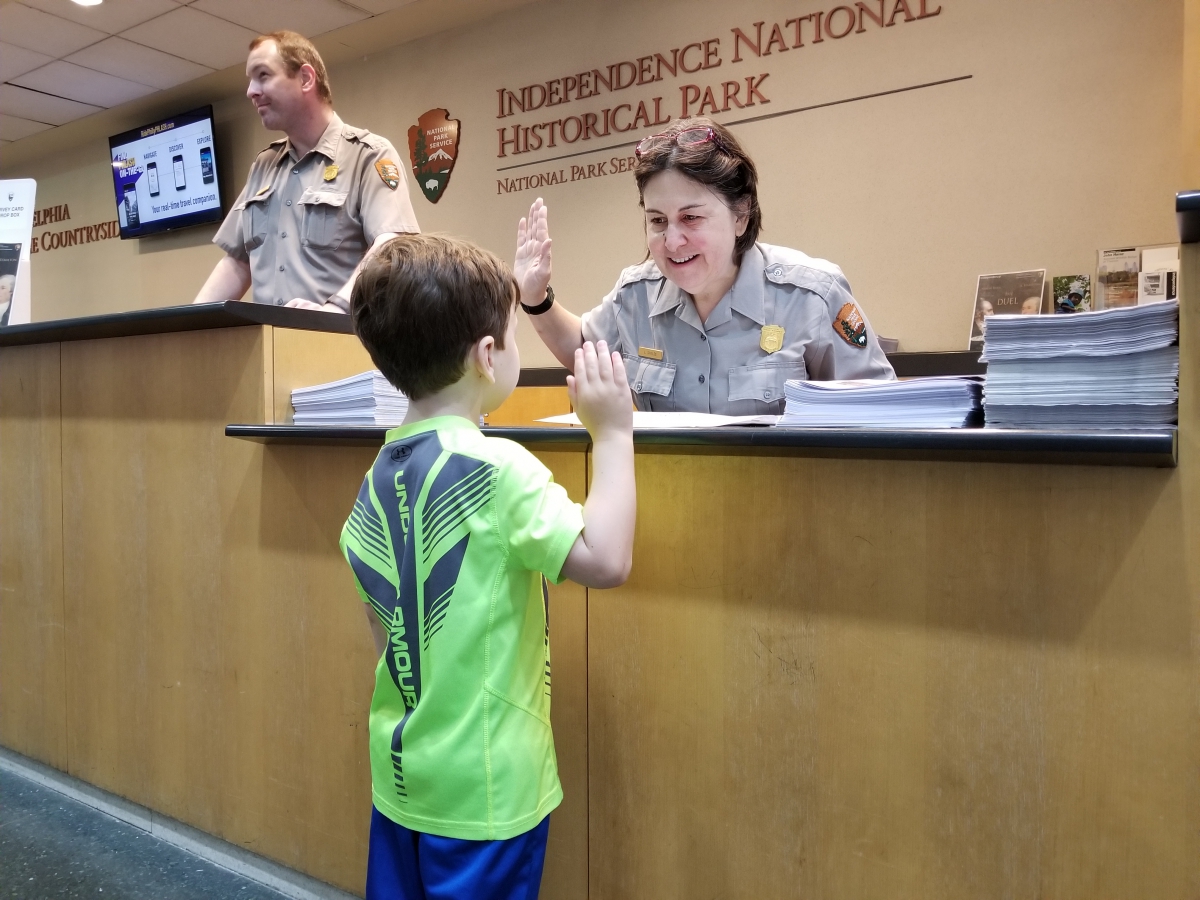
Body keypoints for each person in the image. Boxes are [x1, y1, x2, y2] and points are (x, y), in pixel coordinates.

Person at [340, 233, 635, 899]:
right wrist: (613, 433)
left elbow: (382, 624)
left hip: (402, 773)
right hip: (486, 789)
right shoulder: (495, 471)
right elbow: (606, 558)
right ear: (486, 355)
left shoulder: (377, 475)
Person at [512, 117, 894, 414]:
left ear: (741, 215)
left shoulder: (812, 295)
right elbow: (582, 348)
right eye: (657, 221)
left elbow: (882, 411)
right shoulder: (636, 295)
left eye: (692, 218)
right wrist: (534, 296)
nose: (672, 240)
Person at [195, 30, 419, 311]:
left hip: (335, 342)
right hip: (272, 348)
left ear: (305, 78)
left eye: (263, 75)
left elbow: (392, 244)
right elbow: (238, 262)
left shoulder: (368, 155)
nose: (251, 91)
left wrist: (335, 310)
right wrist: (190, 324)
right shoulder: (264, 165)